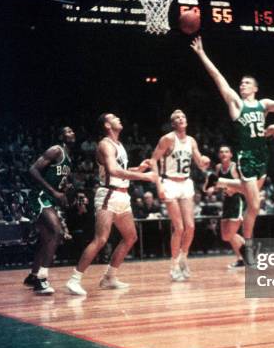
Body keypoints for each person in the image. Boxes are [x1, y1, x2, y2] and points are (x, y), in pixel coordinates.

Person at [191, 35, 274, 267]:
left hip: (262, 157)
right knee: (254, 204)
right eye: (241, 83)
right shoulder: (236, 103)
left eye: (246, 83)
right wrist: (202, 54)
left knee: (248, 196)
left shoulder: (263, 104)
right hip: (245, 157)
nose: (242, 85)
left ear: (255, 88)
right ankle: (249, 248)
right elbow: (218, 78)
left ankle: (220, 182)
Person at [66, 113, 157, 296]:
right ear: (107, 125)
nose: (119, 119)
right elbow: (113, 170)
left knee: (131, 237)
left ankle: (109, 277)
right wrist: (144, 176)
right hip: (108, 194)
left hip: (122, 195)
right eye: (114, 118)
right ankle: (74, 280)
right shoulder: (105, 144)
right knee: (101, 239)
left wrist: (137, 169)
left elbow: (120, 169)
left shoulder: (119, 145)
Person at [151, 109, 210, 281]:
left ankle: (184, 258)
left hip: (186, 182)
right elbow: (153, 160)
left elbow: (200, 164)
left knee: (190, 226)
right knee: (179, 228)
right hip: (170, 182)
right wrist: (158, 185)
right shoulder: (168, 139)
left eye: (183, 116)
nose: (181, 118)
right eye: (177, 117)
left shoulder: (191, 140)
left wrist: (204, 161)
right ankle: (174, 265)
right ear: (173, 123)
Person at [24, 126, 75, 295]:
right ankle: (41, 280)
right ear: (61, 136)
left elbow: (60, 181)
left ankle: (33, 275)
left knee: (46, 237)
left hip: (50, 198)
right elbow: (33, 170)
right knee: (57, 233)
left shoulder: (68, 157)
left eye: (72, 131)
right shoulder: (55, 150)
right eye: (68, 131)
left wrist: (67, 192)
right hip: (40, 195)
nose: (72, 133)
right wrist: (53, 192)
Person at [213, 145, 245, 269]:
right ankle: (242, 258)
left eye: (226, 151)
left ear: (231, 155)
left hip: (237, 201)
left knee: (230, 234)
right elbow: (216, 185)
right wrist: (212, 187)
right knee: (225, 235)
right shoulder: (218, 168)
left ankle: (246, 254)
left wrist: (232, 189)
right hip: (226, 202)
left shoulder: (235, 167)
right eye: (221, 152)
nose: (224, 154)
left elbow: (244, 186)